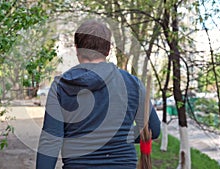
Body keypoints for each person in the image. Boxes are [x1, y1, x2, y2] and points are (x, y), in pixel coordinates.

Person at [36, 20, 160, 169]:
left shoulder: (61, 86)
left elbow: (51, 141)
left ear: (77, 49)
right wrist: (120, 135)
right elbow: (153, 129)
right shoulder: (133, 84)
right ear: (108, 50)